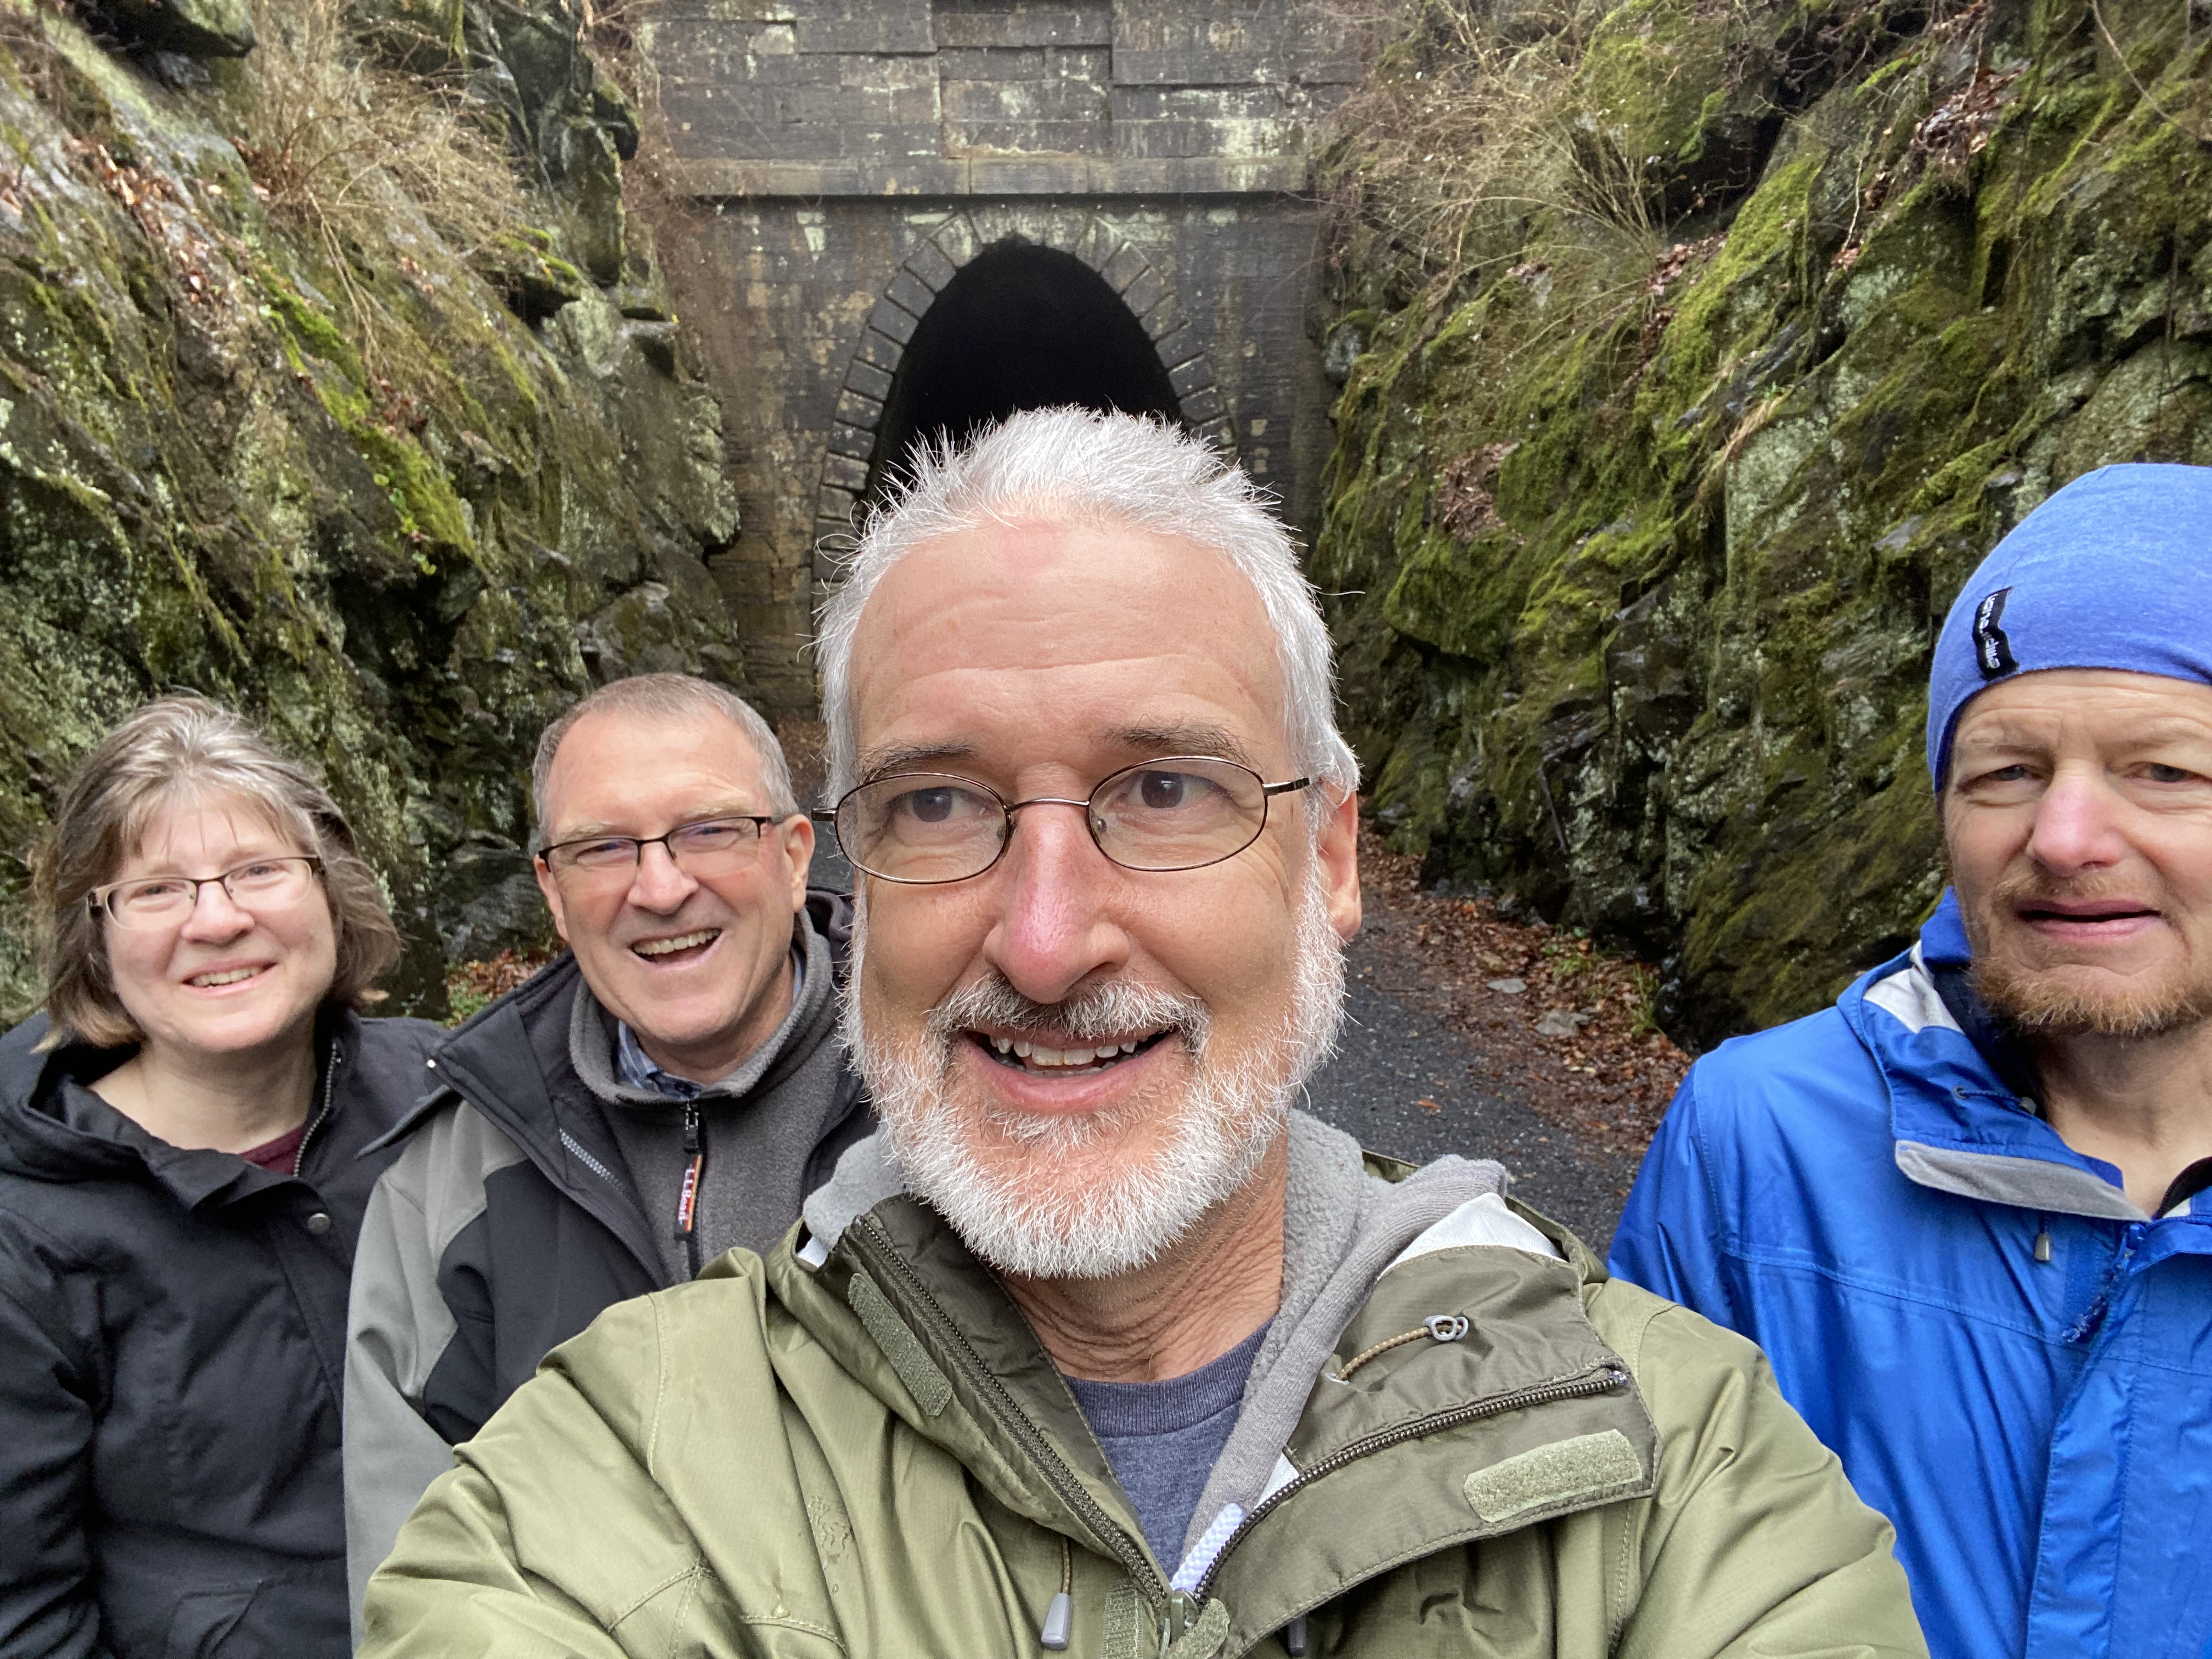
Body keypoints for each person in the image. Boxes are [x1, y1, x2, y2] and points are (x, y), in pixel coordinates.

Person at [358, 410, 1923, 1658]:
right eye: (939, 803)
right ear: (856, 874)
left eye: (1166, 791)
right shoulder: (616, 1476)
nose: (1045, 944)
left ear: (1328, 859)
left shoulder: (1685, 1478)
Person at [1609, 462, 2212, 1659]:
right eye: (2007, 772)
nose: (2065, 838)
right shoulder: (1761, 1143)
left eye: (2165, 771)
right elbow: (1632, 1580)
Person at [342, 672, 870, 1614]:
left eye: (709, 831)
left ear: (796, 856)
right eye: (603, 849)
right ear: (552, 890)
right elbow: (419, 1572)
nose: (660, 889)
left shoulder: (943, 1101)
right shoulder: (454, 1177)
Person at [0, 695, 441, 1659]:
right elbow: (23, 1618)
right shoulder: (26, 1225)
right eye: (157, 890)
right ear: (95, 937)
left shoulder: (453, 1100)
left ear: (331, 889)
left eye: (258, 871)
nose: (218, 919)